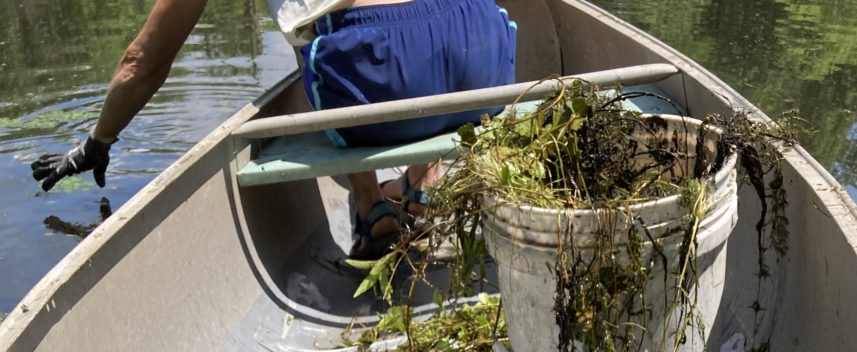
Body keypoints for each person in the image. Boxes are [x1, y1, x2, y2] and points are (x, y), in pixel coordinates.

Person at [30, 0, 517, 260]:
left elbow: (145, 60)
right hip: (482, 60)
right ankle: (422, 181)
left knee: (311, 30)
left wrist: (99, 140)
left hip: (379, 81)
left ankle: (372, 204)